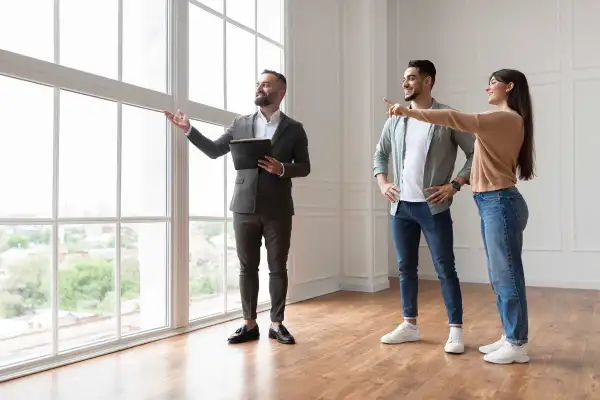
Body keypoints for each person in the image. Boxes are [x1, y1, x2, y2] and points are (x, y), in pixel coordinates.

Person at [385, 68, 535, 364]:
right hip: (493, 202)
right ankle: (510, 335)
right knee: (499, 275)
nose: (487, 88)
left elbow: (454, 119)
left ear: (510, 87)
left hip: (500, 202)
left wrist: (410, 113)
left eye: (493, 83)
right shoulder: (504, 121)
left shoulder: (506, 118)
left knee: (506, 276)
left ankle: (517, 343)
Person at [165, 70, 310, 345]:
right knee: (247, 268)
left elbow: (305, 167)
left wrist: (282, 168)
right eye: (258, 84)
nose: (259, 88)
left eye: (266, 85)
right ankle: (249, 323)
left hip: (278, 208)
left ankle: (277, 324)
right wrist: (188, 130)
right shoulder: (240, 123)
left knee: (277, 267)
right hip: (244, 207)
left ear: (281, 93)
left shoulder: (294, 128)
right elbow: (213, 150)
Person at [373, 60, 475, 354]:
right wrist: (382, 182)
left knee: (445, 268)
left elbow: (475, 153)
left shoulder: (448, 117)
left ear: (428, 81)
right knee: (406, 268)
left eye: (412, 78)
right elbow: (380, 153)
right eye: (404, 78)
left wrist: (454, 184)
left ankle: (455, 330)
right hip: (401, 208)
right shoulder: (395, 119)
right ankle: (409, 325)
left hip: (433, 209)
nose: (405, 83)